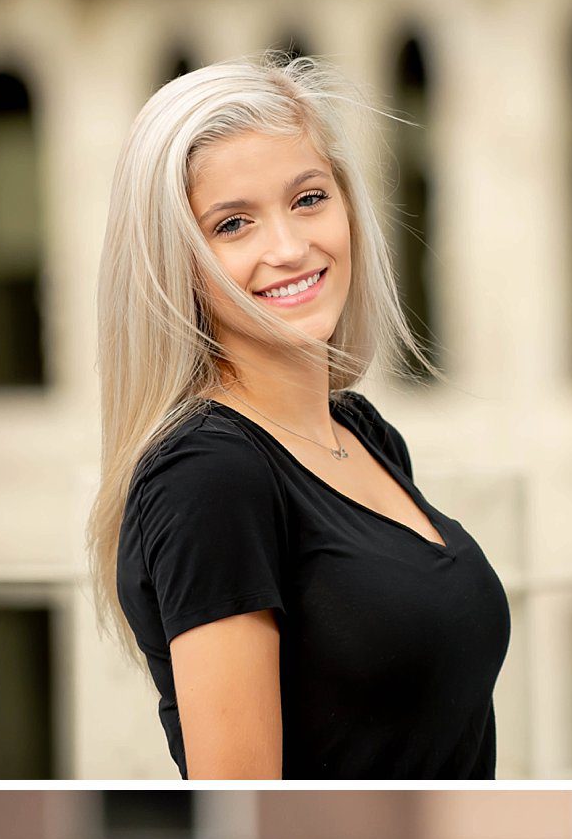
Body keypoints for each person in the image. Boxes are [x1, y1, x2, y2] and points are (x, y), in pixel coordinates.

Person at [91, 57, 509, 780]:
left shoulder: (361, 433)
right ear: (175, 264)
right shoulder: (206, 478)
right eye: (233, 223)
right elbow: (245, 809)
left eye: (308, 198)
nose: (288, 248)